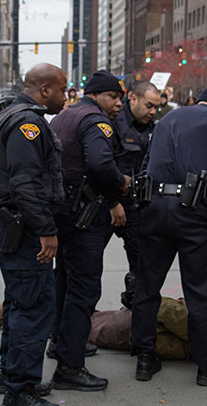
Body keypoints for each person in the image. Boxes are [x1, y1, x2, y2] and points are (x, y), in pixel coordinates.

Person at [130, 86, 207, 386]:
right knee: (202, 292)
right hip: (197, 214)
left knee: (147, 286)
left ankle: (144, 358)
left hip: (154, 208)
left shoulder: (166, 120)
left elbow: (146, 166)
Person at [0, 63, 67, 406]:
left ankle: (10, 376)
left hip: (14, 225)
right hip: (24, 228)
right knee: (34, 308)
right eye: (63, 89)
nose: (66, 97)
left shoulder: (9, 113)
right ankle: (21, 391)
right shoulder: (28, 124)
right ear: (45, 89)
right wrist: (47, 231)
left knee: (21, 303)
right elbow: (25, 185)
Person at [48, 70, 131, 392]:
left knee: (64, 280)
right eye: (113, 97)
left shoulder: (63, 116)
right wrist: (120, 184)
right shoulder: (96, 121)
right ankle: (70, 366)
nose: (118, 104)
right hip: (86, 216)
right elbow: (100, 164)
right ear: (96, 95)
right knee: (83, 290)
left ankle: (61, 341)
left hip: (63, 213)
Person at [107, 81, 158, 308]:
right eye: (149, 105)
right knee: (83, 267)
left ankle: (132, 311)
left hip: (137, 206)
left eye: (156, 106)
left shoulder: (155, 128)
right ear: (133, 99)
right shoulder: (112, 122)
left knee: (140, 265)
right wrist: (112, 201)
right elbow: (99, 166)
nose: (153, 111)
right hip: (107, 204)